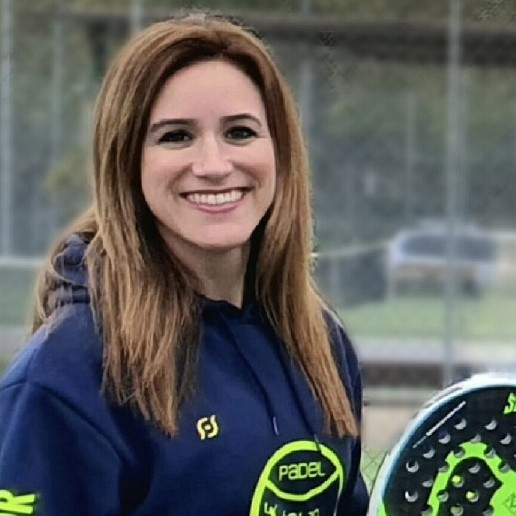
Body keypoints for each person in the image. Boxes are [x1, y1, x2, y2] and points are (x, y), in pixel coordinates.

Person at [0, 13, 369, 516]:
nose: (214, 165)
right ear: (127, 162)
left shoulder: (320, 340)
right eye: (176, 136)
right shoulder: (65, 375)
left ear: (280, 152)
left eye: (240, 132)